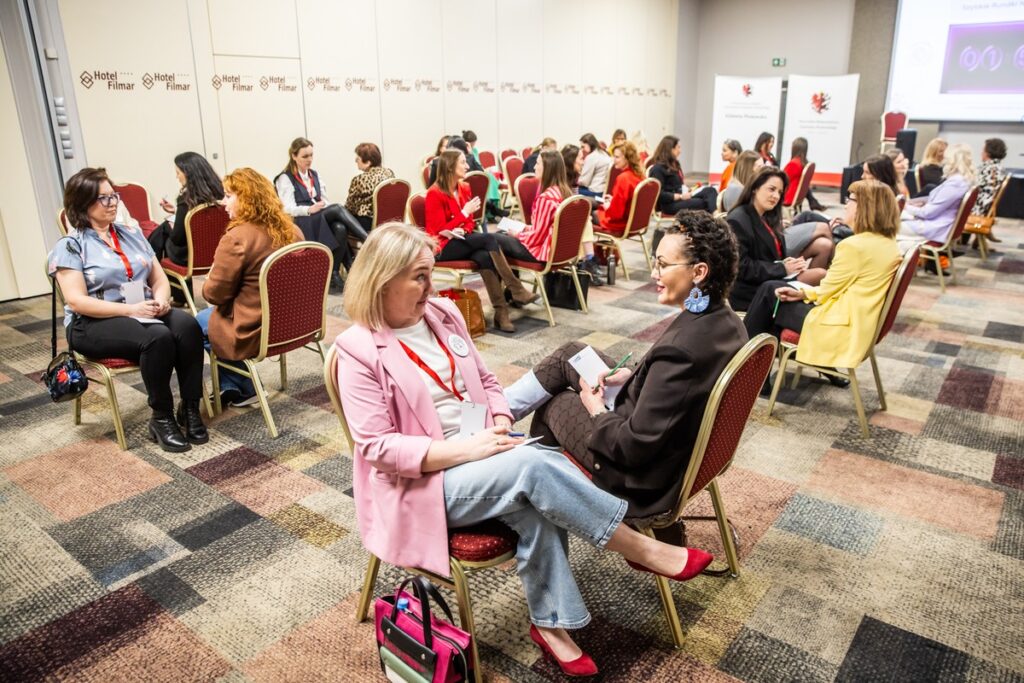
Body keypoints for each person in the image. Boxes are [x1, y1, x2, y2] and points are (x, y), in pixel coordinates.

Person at [335, 223, 714, 677]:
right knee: (534, 467)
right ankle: (638, 546)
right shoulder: (357, 351)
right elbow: (380, 449)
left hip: (480, 448)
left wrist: (496, 421)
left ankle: (551, 624)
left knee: (536, 496)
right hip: (424, 481)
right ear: (381, 281)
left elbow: (488, 384)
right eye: (419, 277)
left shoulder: (443, 315)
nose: (431, 287)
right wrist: (469, 450)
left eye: (431, 273)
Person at [504, 211, 748, 523]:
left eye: (663, 264)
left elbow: (632, 447)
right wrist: (634, 376)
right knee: (572, 353)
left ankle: (546, 508)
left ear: (699, 271)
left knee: (557, 404)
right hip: (669, 444)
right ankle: (496, 415)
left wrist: (595, 409)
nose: (653, 274)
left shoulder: (682, 350)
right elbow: (681, 389)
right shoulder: (727, 321)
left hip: (639, 479)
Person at [48, 167, 207, 452]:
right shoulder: (70, 247)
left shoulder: (130, 234)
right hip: (92, 321)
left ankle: (191, 408)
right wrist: (131, 310)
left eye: (114, 197)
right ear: (83, 203)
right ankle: (162, 417)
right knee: (157, 339)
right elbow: (76, 301)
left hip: (142, 309)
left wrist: (161, 299)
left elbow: (158, 277)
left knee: (189, 327)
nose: (113, 204)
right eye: (104, 199)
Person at [743, 179, 901, 387]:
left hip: (839, 326)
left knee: (768, 293)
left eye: (850, 199)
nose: (846, 204)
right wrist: (803, 294)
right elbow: (836, 287)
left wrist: (804, 293)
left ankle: (743, 368)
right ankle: (759, 378)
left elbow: (827, 290)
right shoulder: (888, 244)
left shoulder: (854, 246)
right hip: (861, 323)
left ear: (865, 207)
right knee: (774, 296)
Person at [197, 168, 304, 407]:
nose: (223, 202)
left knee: (198, 321)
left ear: (245, 198)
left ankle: (244, 387)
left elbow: (214, 294)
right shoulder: (292, 230)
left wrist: (209, 278)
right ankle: (232, 384)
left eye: (228, 195)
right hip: (295, 323)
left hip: (254, 328)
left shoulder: (237, 237)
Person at [425, 150, 538, 332]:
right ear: (450, 167)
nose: (468, 166)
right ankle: (516, 289)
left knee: (484, 256)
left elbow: (470, 223)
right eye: (463, 163)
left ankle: (502, 313)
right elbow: (435, 230)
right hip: (441, 247)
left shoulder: (464, 188)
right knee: (489, 238)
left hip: (460, 238)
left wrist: (463, 228)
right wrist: (463, 214)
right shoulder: (434, 193)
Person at [274, 137, 367, 293]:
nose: (309, 160)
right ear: (294, 156)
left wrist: (322, 204)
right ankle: (368, 239)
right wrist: (309, 210)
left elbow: (324, 198)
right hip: (301, 220)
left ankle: (333, 274)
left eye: (311, 155)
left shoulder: (314, 175)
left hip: (318, 216)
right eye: (305, 156)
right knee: (337, 208)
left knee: (340, 227)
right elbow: (286, 208)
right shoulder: (285, 178)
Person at [726, 167, 826, 311]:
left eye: (779, 192)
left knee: (821, 270)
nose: (776, 196)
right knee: (821, 275)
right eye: (771, 189)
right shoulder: (738, 219)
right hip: (752, 289)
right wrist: (782, 268)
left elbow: (770, 255)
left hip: (770, 277)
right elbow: (742, 267)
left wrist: (786, 263)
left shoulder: (767, 215)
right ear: (755, 188)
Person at [502, 149, 604, 284]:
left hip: (543, 253)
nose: (533, 167)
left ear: (547, 169)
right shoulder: (564, 192)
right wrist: (525, 229)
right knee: (498, 238)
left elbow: (537, 237)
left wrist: (518, 235)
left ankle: (511, 291)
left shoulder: (546, 198)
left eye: (537, 164)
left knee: (496, 239)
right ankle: (513, 291)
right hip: (563, 252)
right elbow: (545, 228)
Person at [148, 151, 224, 267]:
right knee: (164, 228)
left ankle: (152, 269)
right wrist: (176, 212)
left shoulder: (186, 199)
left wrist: (172, 224)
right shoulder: (221, 192)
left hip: (191, 257)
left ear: (188, 173)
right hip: (219, 252)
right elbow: (205, 220)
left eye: (178, 173)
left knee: (164, 228)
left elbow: (178, 239)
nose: (176, 177)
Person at [898, 144, 974, 254]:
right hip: (938, 223)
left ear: (952, 160)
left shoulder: (956, 183)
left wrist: (906, 206)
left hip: (933, 228)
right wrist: (917, 204)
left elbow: (927, 213)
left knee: (885, 227)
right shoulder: (962, 180)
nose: (944, 160)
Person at [649, 135, 718, 214]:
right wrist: (679, 196)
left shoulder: (675, 164)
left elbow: (679, 185)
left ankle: (716, 215)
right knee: (704, 202)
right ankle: (717, 218)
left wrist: (688, 190)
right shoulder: (657, 169)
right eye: (678, 147)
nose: (680, 151)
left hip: (682, 197)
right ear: (670, 149)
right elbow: (658, 194)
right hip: (670, 204)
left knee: (710, 191)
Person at [344, 142, 396, 234]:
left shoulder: (360, 180)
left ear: (368, 162)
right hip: (390, 221)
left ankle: (363, 242)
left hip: (369, 222)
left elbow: (350, 208)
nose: (355, 161)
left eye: (358, 158)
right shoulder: (389, 173)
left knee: (338, 225)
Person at [596, 141, 645, 232]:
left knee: (587, 215)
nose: (613, 160)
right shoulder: (640, 176)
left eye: (617, 157)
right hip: (635, 223)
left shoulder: (623, 178)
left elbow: (615, 214)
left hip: (621, 224)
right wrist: (614, 199)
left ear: (627, 158)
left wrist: (608, 206)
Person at [461, 129, 508, 221]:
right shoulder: (461, 154)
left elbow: (479, 166)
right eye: (471, 143)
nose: (473, 145)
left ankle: (491, 210)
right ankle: (492, 209)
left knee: (490, 178)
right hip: (468, 178)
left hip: (477, 174)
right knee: (481, 181)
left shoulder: (474, 151)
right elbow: (468, 168)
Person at [973, 137, 1008, 244]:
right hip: (987, 206)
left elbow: (973, 185)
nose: (981, 153)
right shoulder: (1000, 168)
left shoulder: (987, 167)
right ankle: (978, 238)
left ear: (988, 152)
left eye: (983, 150)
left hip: (978, 207)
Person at [782, 137, 826, 212]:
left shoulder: (793, 164)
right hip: (797, 198)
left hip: (787, 198)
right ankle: (813, 202)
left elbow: (782, 180)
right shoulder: (803, 163)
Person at [578, 133, 611, 198]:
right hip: (603, 191)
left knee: (572, 190)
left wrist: (576, 180)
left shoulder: (591, 157)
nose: (582, 149)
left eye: (583, 146)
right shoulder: (604, 153)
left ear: (589, 144)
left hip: (595, 193)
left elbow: (584, 182)